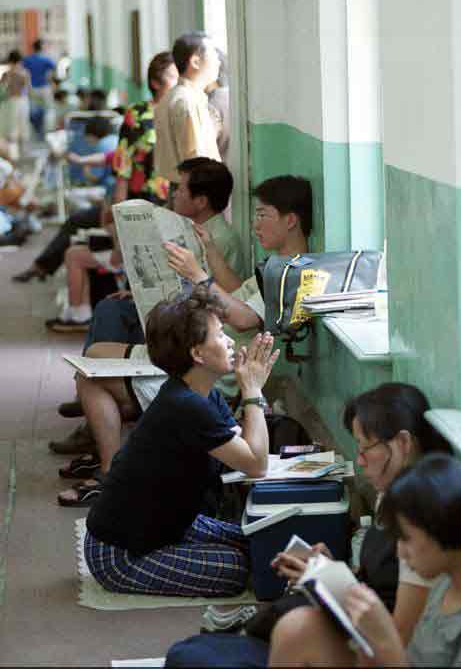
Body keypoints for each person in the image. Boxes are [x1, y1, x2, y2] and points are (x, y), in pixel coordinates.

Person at [164, 383, 451, 668]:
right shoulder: (390, 496)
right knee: (189, 651)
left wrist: (332, 584)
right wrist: (329, 570)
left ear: (403, 444)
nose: (360, 461)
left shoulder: (420, 526)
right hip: (343, 628)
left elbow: (394, 640)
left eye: (366, 449)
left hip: (363, 648)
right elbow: (378, 584)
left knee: (191, 659)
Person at [54, 175, 311, 464]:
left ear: (291, 220)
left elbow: (243, 318)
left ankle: (110, 467)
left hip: (209, 367)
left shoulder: (290, 275)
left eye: (263, 215)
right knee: (95, 352)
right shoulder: (274, 265)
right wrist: (207, 251)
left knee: (89, 378)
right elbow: (235, 292)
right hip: (195, 351)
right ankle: (118, 436)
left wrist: (197, 275)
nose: (256, 225)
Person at [56, 157, 243, 499]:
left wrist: (190, 278)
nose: (173, 195)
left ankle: (110, 470)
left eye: (180, 189)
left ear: (201, 200)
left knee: (91, 375)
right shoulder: (198, 232)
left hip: (192, 347)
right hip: (182, 330)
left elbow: (219, 307)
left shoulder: (221, 242)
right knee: (103, 330)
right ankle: (103, 429)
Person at [84, 287, 280, 596]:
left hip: (168, 527)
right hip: (119, 553)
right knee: (236, 569)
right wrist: (252, 390)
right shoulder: (186, 405)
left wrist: (252, 392)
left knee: (257, 542)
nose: (230, 342)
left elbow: (245, 449)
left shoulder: (203, 395)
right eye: (220, 335)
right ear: (197, 354)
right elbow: (256, 464)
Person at [269, 453, 461, 667]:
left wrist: (386, 641)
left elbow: (397, 651)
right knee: (297, 627)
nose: (400, 553)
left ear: (441, 530)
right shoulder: (448, 578)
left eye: (406, 538)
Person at [13, 51, 178, 287]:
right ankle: (45, 268)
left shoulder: (182, 112)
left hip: (172, 198)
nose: (178, 82)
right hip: (140, 196)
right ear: (155, 82)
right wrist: (117, 204)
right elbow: (123, 159)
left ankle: (44, 267)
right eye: (173, 76)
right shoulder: (139, 114)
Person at [154, 31, 221, 203]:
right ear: (195, 62)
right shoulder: (188, 102)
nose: (218, 61)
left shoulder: (171, 97)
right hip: (194, 195)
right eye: (214, 54)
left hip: (181, 191)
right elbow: (195, 161)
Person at [23, 39, 56, 140]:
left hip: (32, 88)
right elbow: (52, 71)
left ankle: (37, 131)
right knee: (48, 109)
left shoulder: (27, 60)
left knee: (33, 111)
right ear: (42, 47)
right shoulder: (46, 59)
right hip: (45, 87)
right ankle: (47, 131)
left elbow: (25, 74)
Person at [0, 50, 31, 152]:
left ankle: (14, 150)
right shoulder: (23, 72)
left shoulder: (8, 73)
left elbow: (2, 88)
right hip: (20, 100)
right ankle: (21, 150)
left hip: (12, 101)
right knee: (21, 124)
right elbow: (28, 88)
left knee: (12, 126)